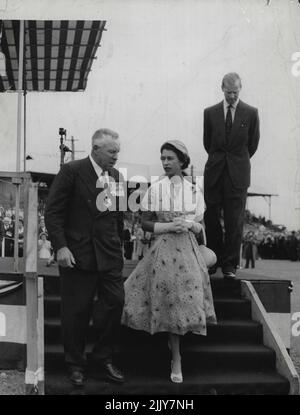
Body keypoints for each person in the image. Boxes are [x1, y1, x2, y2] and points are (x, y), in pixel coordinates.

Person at [122, 140, 217, 383]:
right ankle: (175, 356)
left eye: (170, 159)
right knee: (163, 292)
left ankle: (177, 353)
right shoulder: (155, 189)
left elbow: (201, 227)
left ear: (182, 161)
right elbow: (144, 222)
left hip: (188, 248)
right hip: (162, 248)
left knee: (188, 293)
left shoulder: (194, 191)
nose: (165, 163)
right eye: (162, 158)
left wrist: (190, 225)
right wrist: (167, 226)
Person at [45, 128, 125, 387]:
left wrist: (119, 246)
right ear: (95, 149)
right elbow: (53, 212)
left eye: (118, 152)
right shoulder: (72, 171)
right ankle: (75, 364)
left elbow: (118, 217)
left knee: (115, 303)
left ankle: (103, 357)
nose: (116, 156)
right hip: (77, 255)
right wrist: (61, 247)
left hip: (109, 255)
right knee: (76, 312)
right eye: (112, 151)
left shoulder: (116, 177)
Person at [203, 72, 260, 279]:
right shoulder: (209, 113)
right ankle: (213, 260)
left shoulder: (251, 113)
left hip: (238, 175)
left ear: (240, 89)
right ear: (222, 89)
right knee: (211, 218)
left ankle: (230, 265)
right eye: (229, 93)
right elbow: (207, 143)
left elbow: (252, 145)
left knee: (234, 220)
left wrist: (236, 161)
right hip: (214, 172)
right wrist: (222, 160)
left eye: (235, 93)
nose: (232, 97)